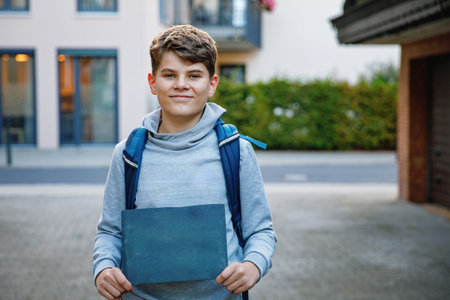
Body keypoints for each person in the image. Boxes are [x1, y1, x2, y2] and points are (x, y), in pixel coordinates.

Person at [93, 24, 277, 300]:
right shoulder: (128, 154)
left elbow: (261, 230)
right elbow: (110, 231)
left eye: (194, 75)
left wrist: (254, 264)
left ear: (212, 84)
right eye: (169, 75)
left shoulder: (236, 150)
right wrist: (104, 267)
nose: (181, 84)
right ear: (153, 83)